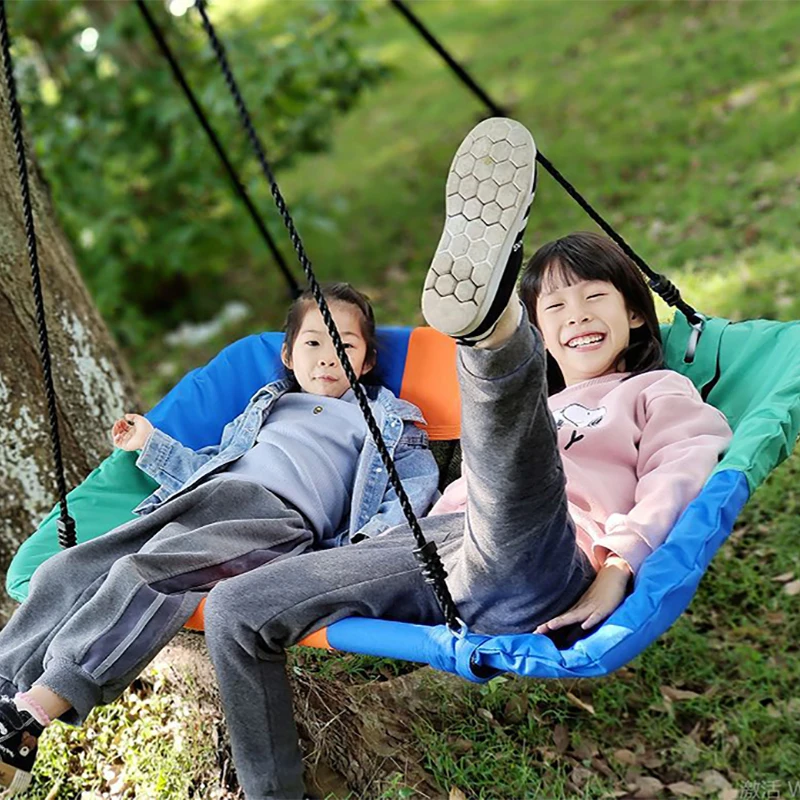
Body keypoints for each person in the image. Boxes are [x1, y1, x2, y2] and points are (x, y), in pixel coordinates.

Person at [194, 118, 732, 799]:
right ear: (545, 330)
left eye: (596, 296)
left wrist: (620, 566)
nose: (578, 314)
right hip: (440, 549)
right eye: (555, 306)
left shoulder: (658, 389)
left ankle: (488, 333)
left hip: (549, 554)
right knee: (237, 608)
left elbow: (677, 477)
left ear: (634, 316)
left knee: (515, 462)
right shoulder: (543, 396)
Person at [0, 283, 439, 795]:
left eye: (346, 344)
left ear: (366, 362)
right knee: (67, 569)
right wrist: (153, 446)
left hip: (275, 519)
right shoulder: (270, 404)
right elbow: (209, 465)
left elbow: (411, 490)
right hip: (204, 498)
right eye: (314, 343)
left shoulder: (388, 418)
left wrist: (361, 551)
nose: (328, 358)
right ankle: (6, 703)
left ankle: (45, 703)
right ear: (288, 354)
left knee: (144, 576)